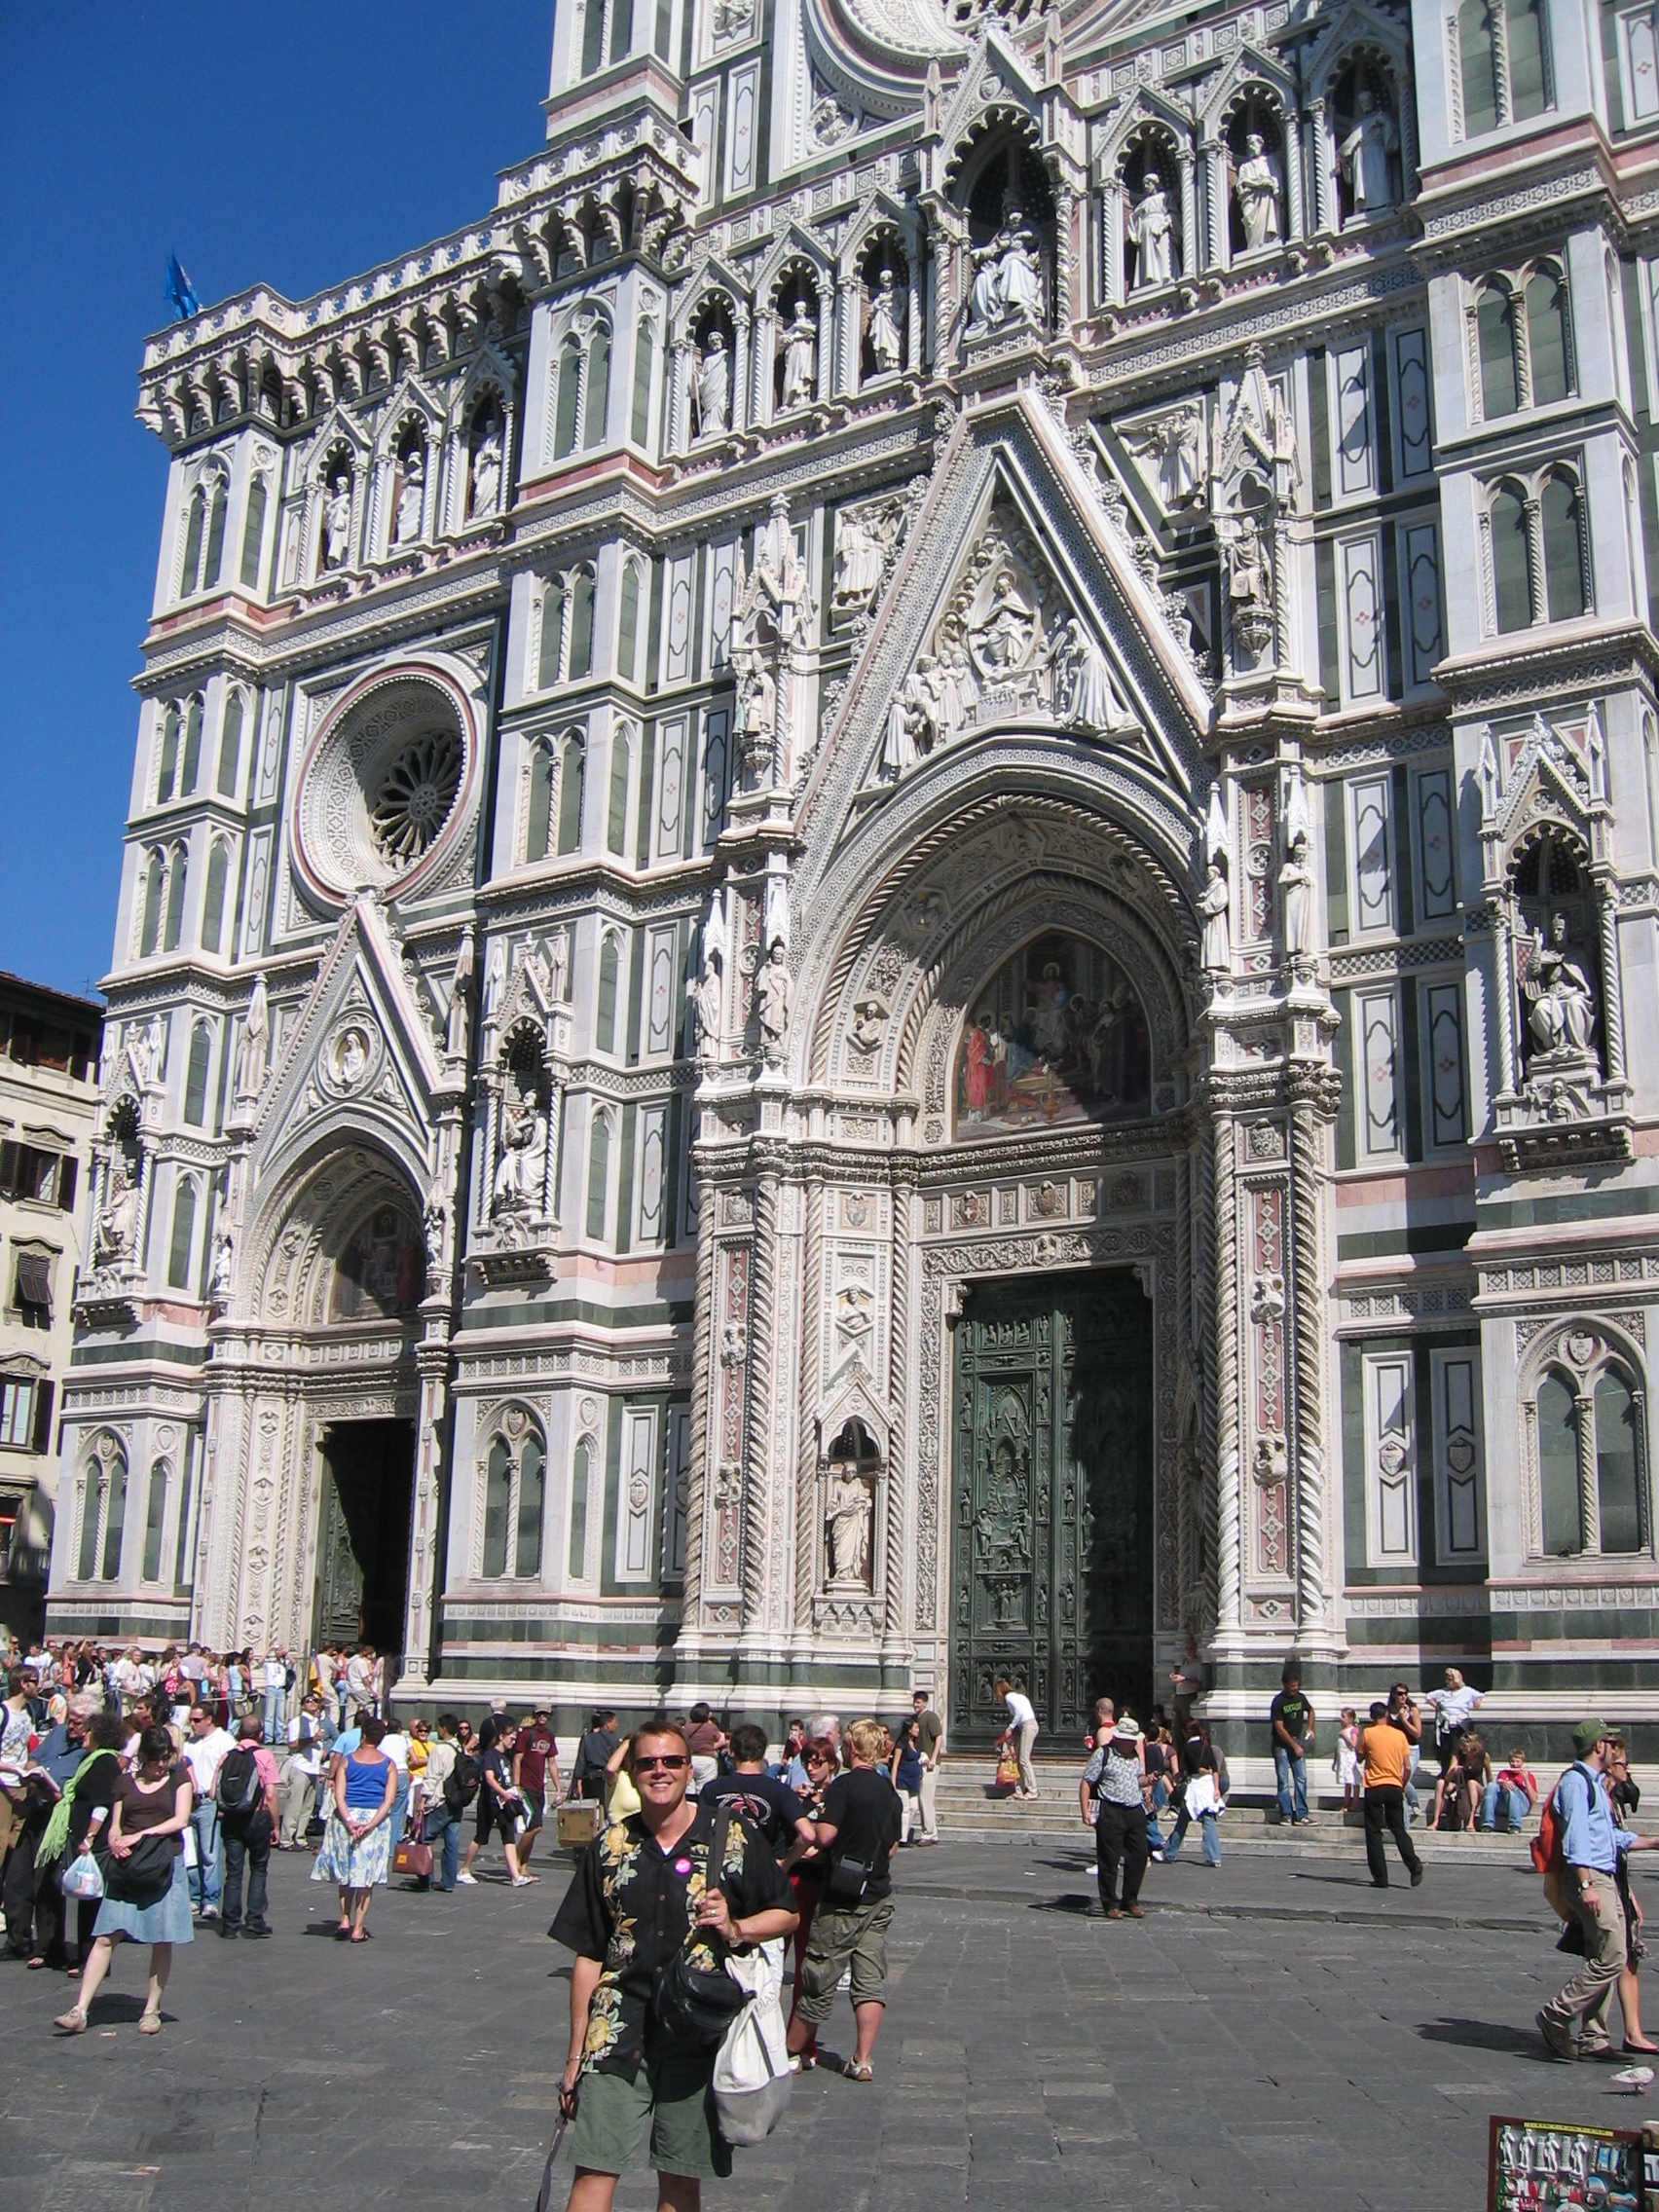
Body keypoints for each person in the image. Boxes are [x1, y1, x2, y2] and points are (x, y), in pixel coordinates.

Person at [550, 1720, 796, 2208]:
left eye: (672, 1761)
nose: (660, 1771)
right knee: (593, 2169)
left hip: (696, 2035)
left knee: (681, 2178)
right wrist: (575, 2057)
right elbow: (589, 1955)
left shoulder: (731, 1836)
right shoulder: (609, 1847)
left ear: (690, 1769)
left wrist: (736, 1927)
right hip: (617, 2033)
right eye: (648, 1763)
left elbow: (786, 1913)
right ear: (631, 1772)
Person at [55, 1722, 193, 2035]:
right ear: (143, 1756)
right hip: (128, 1866)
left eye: (166, 1758)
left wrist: (140, 1835)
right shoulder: (124, 1782)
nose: (161, 1765)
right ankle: (80, 2009)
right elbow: (116, 1823)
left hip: (163, 1863)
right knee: (105, 1936)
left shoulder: (178, 1778)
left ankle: (151, 2010)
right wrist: (116, 1840)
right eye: (156, 1759)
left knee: (161, 1938)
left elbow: (180, 1820)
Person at [787, 1716, 903, 2082]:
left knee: (819, 1976)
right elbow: (892, 1847)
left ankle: (791, 2052)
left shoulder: (844, 1787)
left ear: (851, 1748)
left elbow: (824, 1836)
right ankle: (862, 2060)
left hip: (842, 1897)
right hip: (878, 1895)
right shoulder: (889, 1792)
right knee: (869, 1979)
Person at [1536, 1718, 1659, 2059]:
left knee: (1602, 1953)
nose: (1614, 1748)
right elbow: (1576, 1839)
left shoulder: (1594, 1783)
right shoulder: (1576, 1783)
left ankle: (1594, 2037)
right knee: (1614, 1955)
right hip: (1590, 1877)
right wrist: (1586, 1885)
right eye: (1608, 1741)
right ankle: (1556, 2013)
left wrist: (1651, 1842)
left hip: (1606, 1875)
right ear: (1599, 1746)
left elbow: (1608, 1837)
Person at [32, 1709, 124, 1975]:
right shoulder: (90, 1759)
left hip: (93, 1841)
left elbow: (102, 1804)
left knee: (92, 1900)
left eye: (88, 1730)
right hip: (81, 1837)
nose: (83, 1734)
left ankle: (91, 1960)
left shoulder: (104, 1762)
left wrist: (90, 1836)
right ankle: (86, 1957)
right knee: (86, 1898)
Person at [3, 1695, 91, 1963]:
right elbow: (34, 1757)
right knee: (17, 1878)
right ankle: (17, 1941)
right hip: (35, 1808)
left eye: (77, 1723)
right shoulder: (58, 1733)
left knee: (47, 1883)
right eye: (70, 1720)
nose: (71, 1727)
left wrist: (54, 1793)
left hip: (57, 1815)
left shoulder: (88, 1748)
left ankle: (49, 1946)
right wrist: (30, 1771)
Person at [312, 1712, 398, 1941]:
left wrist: (349, 1821)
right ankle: (358, 1928)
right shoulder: (389, 1764)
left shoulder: (347, 1760)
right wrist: (370, 1824)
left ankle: (344, 1919)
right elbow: (388, 1800)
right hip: (373, 1820)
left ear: (363, 1736)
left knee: (346, 1873)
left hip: (346, 1817)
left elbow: (339, 1795)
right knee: (365, 1877)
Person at [783, 1736, 838, 2066]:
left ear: (832, 1763)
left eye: (818, 1762)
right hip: (789, 1881)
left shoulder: (837, 1798)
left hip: (815, 1884)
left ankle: (803, 2043)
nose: (812, 1767)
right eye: (808, 1761)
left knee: (807, 1966)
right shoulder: (797, 1797)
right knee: (774, 1961)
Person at [700, 1721, 818, 1864]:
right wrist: (785, 1864)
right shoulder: (780, 1791)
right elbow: (808, 1834)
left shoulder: (711, 1790)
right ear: (763, 1753)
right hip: (764, 1868)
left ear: (732, 1752)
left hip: (722, 1869)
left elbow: (699, 1832)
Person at [1605, 1739, 1657, 2055]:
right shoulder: (1599, 1797)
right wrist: (1651, 1842)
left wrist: (1630, 1893)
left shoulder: (1614, 1800)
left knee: (1627, 1959)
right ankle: (1563, 2016)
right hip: (1601, 1886)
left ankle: (1632, 2033)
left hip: (1617, 1885)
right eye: (1623, 1763)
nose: (1628, 1769)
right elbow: (1607, 1842)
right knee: (1607, 1960)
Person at [1081, 1713, 1150, 1918]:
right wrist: (1085, 1811)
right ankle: (1110, 1903)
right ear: (1118, 1738)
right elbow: (1087, 1782)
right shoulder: (1103, 1754)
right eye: (1128, 1740)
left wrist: (1148, 1781)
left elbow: (1137, 1779)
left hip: (1135, 1809)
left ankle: (1130, 1899)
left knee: (1138, 1856)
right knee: (1109, 1859)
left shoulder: (1135, 1756)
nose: (1132, 1744)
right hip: (1111, 1810)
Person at [216, 1715, 278, 1938]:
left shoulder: (227, 1756)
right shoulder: (264, 1756)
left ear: (239, 1733)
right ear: (260, 1734)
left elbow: (214, 1790)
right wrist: (275, 1825)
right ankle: (254, 1919)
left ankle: (230, 1924)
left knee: (233, 1871)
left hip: (232, 1817)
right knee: (258, 1868)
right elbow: (270, 1794)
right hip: (257, 1816)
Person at [1357, 1698, 1422, 1891]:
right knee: (1398, 1829)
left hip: (1374, 1786)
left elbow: (1359, 1757)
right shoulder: (1399, 1735)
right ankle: (1414, 1864)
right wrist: (1402, 1784)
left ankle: (1380, 1877)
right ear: (1386, 1715)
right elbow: (1407, 1767)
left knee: (1373, 1832)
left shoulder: (1368, 1733)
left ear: (1372, 1717)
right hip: (1394, 1785)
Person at [459, 1718, 530, 1886]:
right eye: (511, 1738)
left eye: (515, 1739)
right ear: (501, 1736)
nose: (513, 1742)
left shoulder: (507, 1757)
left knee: (509, 1836)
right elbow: (489, 1778)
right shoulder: (490, 1755)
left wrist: (512, 1792)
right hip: (489, 1801)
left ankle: (515, 1876)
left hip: (504, 1802)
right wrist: (503, 1792)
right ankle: (464, 1868)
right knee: (481, 1837)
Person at [181, 1701, 235, 1918]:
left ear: (209, 1719)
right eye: (191, 1721)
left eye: (197, 1720)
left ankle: (211, 1900)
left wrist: (223, 1803)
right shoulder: (189, 1743)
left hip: (210, 1802)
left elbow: (230, 1773)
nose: (193, 1725)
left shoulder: (224, 1740)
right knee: (190, 1854)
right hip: (189, 1801)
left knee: (209, 1853)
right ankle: (194, 1896)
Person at [1163, 1718, 1225, 1866]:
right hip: (1208, 1786)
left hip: (1195, 1787)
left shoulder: (1189, 1747)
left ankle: (1169, 1852)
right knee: (1208, 1820)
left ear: (1188, 1731)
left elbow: (1193, 1768)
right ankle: (1214, 1856)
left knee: (1183, 1820)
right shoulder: (1206, 1745)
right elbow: (1215, 1769)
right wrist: (1216, 1788)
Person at [414, 1713, 463, 1893]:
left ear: (443, 1728)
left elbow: (432, 1776)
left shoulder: (439, 1749)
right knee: (452, 1842)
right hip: (456, 1800)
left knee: (425, 1839)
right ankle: (448, 1881)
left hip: (440, 1800)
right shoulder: (460, 1748)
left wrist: (422, 1800)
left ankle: (425, 1878)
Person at [282, 1692, 331, 1847]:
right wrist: (313, 1739)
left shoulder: (318, 1722)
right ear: (303, 1706)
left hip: (313, 1769)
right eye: (309, 1701)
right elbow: (292, 1744)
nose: (313, 1702)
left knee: (307, 1808)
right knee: (294, 1806)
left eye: (316, 1700)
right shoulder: (297, 1721)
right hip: (301, 1767)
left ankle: (300, 1837)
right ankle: (286, 1839)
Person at [514, 1708, 559, 1874]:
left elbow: (552, 1762)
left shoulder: (549, 1735)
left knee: (533, 1829)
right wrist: (517, 1784)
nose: (542, 1717)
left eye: (545, 1714)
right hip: (526, 1785)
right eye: (539, 1714)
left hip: (539, 1787)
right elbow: (517, 1759)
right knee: (535, 1825)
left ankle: (523, 1866)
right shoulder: (526, 1734)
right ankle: (515, 1859)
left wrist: (558, 1788)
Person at [1270, 1666, 1314, 1825]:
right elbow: (1279, 1728)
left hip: (1297, 1739)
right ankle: (1286, 1814)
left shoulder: (1301, 1698)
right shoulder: (1278, 1702)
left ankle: (1301, 1814)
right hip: (1281, 1744)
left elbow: (1311, 1711)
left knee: (1301, 1778)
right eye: (1292, 1686)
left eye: (1297, 1685)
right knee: (1283, 1780)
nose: (1295, 1688)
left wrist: (1309, 1728)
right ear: (1285, 1684)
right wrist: (1294, 1746)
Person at [1425, 1667, 1483, 1776]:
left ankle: (1454, 1773)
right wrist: (1437, 1706)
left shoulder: (1467, 1691)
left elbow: (1479, 1696)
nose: (1448, 1682)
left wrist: (1477, 1702)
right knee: (1445, 1749)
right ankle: (1446, 1771)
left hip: (1460, 1725)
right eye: (1447, 1679)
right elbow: (1428, 1697)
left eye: (1450, 1679)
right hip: (1446, 1725)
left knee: (1457, 1749)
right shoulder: (1442, 1692)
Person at [995, 1677, 1039, 1801]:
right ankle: (1019, 1790)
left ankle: (1033, 1790)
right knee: (1018, 1758)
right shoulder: (1018, 1696)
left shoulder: (1009, 1697)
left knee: (1024, 1759)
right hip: (1027, 1726)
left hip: (1028, 1726)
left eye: (997, 1695)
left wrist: (1010, 1727)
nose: (998, 1698)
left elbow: (1019, 1713)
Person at [909, 1689, 943, 1844]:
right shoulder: (916, 1719)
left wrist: (933, 1758)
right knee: (925, 1797)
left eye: (918, 1702)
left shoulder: (930, 1717)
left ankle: (928, 1833)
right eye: (915, 1702)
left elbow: (938, 1737)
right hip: (920, 1761)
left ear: (925, 1703)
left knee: (925, 1797)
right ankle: (932, 1833)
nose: (915, 1705)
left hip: (930, 1763)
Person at [1481, 1746, 1538, 1833]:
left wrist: (1526, 1780)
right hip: (1504, 1804)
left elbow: (1533, 1799)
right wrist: (1502, 1783)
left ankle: (1515, 1825)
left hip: (1521, 1806)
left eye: (1517, 1761)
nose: (1515, 1764)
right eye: (1512, 1761)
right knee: (1492, 1786)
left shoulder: (1529, 1776)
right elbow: (1497, 1785)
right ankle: (1487, 1824)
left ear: (1522, 1762)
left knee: (1511, 1788)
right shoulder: (1503, 1773)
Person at [889, 1718, 925, 1845]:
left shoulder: (915, 1743)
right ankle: (902, 1838)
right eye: (916, 1728)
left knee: (914, 1807)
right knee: (905, 1808)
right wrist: (893, 1781)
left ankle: (905, 1832)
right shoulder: (901, 1744)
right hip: (902, 1779)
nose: (918, 1730)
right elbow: (895, 1764)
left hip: (913, 1780)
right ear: (909, 1729)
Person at [572, 1710, 620, 1801]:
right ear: (607, 1724)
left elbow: (581, 1761)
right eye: (615, 1722)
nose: (616, 1725)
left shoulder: (587, 1738)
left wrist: (578, 1780)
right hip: (607, 1779)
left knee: (590, 1806)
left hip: (589, 1780)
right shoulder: (614, 1740)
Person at [684, 1703, 727, 1792]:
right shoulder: (711, 1727)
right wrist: (711, 1746)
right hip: (707, 1760)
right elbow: (721, 1740)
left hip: (690, 1759)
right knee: (705, 1789)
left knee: (689, 1788)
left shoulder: (687, 1727)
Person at [1333, 1709, 1362, 1810]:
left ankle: (1355, 1803)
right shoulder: (1342, 1730)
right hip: (1343, 1758)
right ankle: (1346, 1802)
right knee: (1347, 1781)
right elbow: (1338, 1747)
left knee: (1354, 1780)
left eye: (1343, 1717)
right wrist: (1335, 1761)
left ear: (1351, 1719)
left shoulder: (1353, 1730)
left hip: (1349, 1758)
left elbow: (1353, 1744)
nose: (1341, 1719)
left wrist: (1345, 1736)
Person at [260, 1649, 288, 1744]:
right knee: (269, 1714)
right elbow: (260, 1661)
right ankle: (268, 1738)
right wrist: (270, 1649)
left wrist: (286, 1653)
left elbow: (294, 1662)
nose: (278, 1652)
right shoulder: (269, 1662)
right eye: (277, 1650)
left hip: (281, 1689)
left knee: (280, 1715)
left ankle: (279, 1738)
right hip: (271, 1688)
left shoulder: (284, 1662)